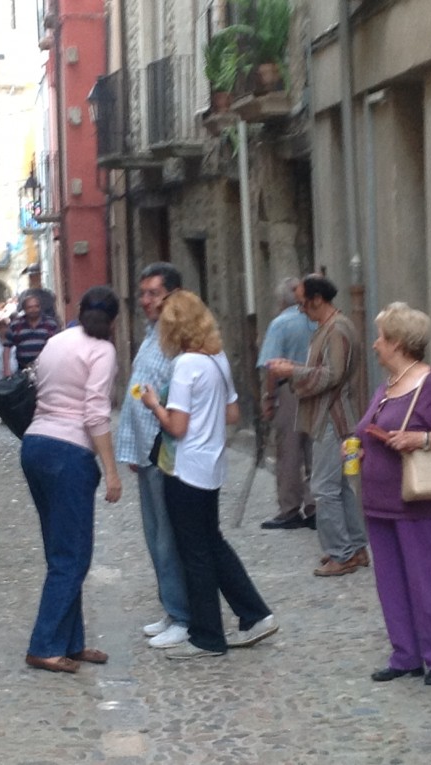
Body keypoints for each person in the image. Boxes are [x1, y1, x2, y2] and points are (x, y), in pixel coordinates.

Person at [140, 290, 277, 659]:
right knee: (212, 543)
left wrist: (155, 405)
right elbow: (232, 415)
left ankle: (207, 636)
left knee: (194, 552)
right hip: (212, 464)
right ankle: (254, 613)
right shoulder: (216, 359)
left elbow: (177, 426)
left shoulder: (186, 365)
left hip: (185, 467)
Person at [356, 302, 431, 687]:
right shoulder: (388, 386)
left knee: (425, 581)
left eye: (381, 338)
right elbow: (367, 429)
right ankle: (405, 654)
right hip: (379, 503)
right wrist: (357, 445)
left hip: (416, 503)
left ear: (399, 343)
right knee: (390, 581)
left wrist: (420, 438)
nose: (376, 345)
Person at [20, 286, 123, 674]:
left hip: (35, 444)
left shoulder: (57, 341)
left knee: (60, 550)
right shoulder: (103, 350)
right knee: (74, 555)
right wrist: (111, 470)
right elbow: (96, 412)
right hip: (69, 452)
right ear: (114, 320)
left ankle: (71, 641)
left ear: (79, 310)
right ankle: (44, 645)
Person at [266, 274, 368, 577]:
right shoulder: (330, 327)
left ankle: (342, 553)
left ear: (317, 299)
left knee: (324, 487)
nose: (301, 310)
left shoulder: (337, 329)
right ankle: (355, 547)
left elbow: (332, 374)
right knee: (338, 487)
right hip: (330, 414)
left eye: (303, 304)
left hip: (333, 416)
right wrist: (296, 369)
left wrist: (293, 372)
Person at [115, 263, 191, 649]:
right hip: (146, 454)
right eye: (142, 293)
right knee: (154, 534)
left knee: (169, 537)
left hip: (167, 453)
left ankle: (183, 616)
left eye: (152, 294)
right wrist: (131, 448)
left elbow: (172, 400)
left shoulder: (177, 341)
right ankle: (171, 609)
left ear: (172, 296)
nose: (145, 300)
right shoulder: (151, 335)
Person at [256, 277, 317, 530]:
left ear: (281, 300)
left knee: (289, 452)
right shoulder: (317, 320)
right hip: (317, 387)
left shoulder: (280, 324)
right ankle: (316, 506)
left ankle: (290, 509)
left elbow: (272, 366)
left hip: (290, 390)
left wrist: (269, 398)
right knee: (315, 449)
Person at [3, 293, 60, 377]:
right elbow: (7, 348)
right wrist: (6, 370)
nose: (34, 309)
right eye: (30, 307)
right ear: (24, 309)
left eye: (36, 306)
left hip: (47, 370)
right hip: (23, 370)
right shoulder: (16, 325)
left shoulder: (50, 324)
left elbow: (58, 346)